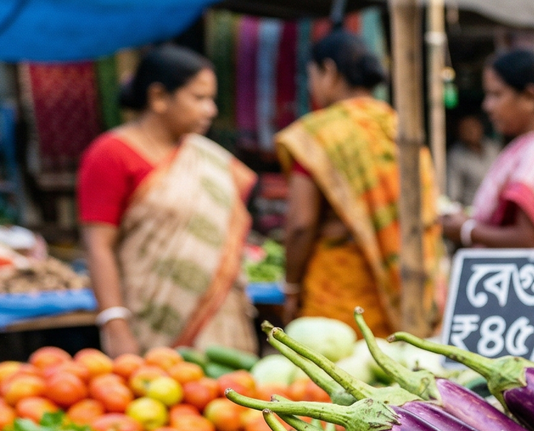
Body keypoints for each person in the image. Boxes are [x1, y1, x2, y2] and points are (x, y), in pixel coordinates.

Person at [78, 45, 256, 356]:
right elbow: (98, 245)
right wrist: (115, 324)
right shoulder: (111, 154)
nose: (210, 110)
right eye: (199, 98)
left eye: (211, 99)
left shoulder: (209, 159)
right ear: (159, 97)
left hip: (220, 321)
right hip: (146, 322)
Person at [277, 30, 441, 338]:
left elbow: (301, 222)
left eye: (311, 75)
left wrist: (291, 287)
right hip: (404, 291)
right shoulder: (401, 130)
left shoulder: (319, 135)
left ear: (329, 71)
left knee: (333, 378)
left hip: (339, 295)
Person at [442, 50, 534, 251]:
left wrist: (466, 230)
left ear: (530, 97)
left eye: (496, 94)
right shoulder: (531, 146)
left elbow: (530, 241)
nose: (487, 106)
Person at [446, 112, 498, 207]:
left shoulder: (492, 147)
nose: (471, 131)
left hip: (497, 206)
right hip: (472, 209)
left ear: (481, 127)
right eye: (466, 128)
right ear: (459, 132)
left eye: (474, 126)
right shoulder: (456, 156)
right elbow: (453, 193)